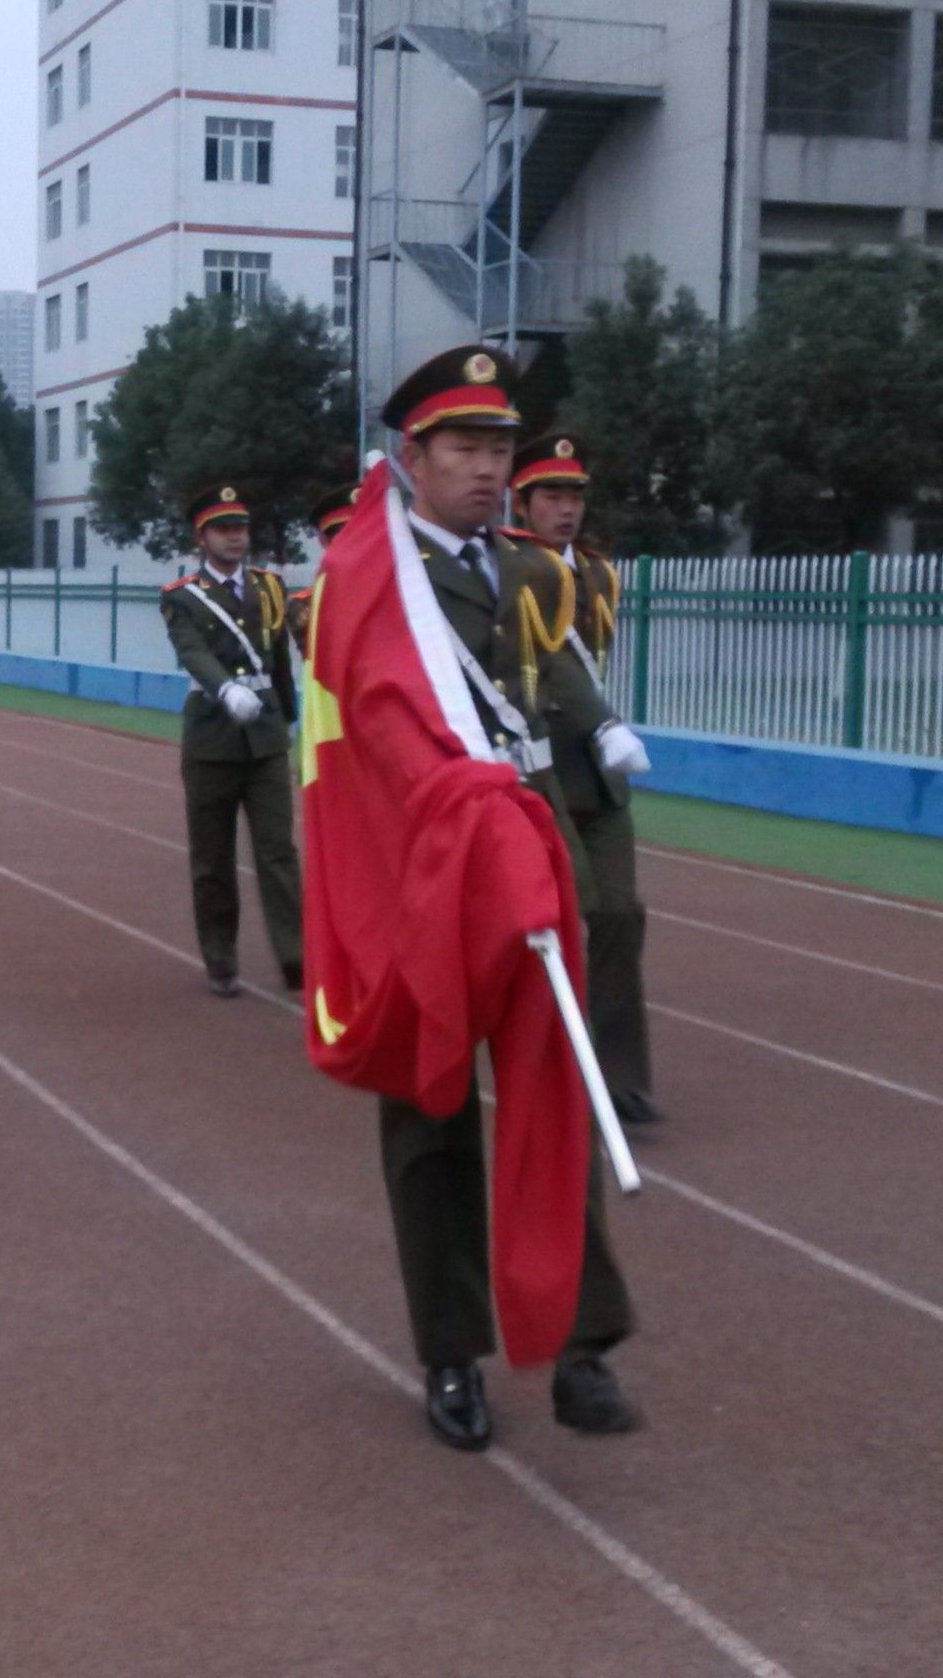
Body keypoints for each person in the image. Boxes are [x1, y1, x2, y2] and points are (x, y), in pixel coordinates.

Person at [373, 347, 651, 1450]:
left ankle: (582, 1344)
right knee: (431, 1114)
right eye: (466, 447)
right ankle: (452, 1350)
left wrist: (600, 726)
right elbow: (355, 735)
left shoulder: (530, 572)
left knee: (556, 1091)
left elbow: (554, 673)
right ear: (415, 456)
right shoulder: (373, 579)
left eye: (499, 447)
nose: (489, 468)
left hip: (534, 859)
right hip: (429, 874)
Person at [510, 435, 658, 1127]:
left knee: (621, 915)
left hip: (600, 775)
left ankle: (621, 1080)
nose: (566, 508)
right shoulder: (506, 569)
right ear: (523, 503)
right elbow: (543, 662)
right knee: (562, 919)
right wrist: (601, 722)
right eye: (551, 496)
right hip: (538, 770)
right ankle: (554, 1068)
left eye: (574, 495)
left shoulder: (598, 575)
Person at [160, 488, 303, 1000]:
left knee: (278, 853)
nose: (235, 537)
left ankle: (296, 958)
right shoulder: (183, 596)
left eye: (240, 527)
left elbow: (279, 659)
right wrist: (224, 689)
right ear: (202, 537)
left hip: (264, 740)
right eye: (223, 529)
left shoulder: (269, 588)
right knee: (212, 859)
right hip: (212, 741)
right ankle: (220, 959)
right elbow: (192, 652)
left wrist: (287, 716)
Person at [286, 493, 354, 663]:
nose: (355, 541)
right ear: (323, 540)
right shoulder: (306, 606)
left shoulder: (404, 593)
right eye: (344, 534)